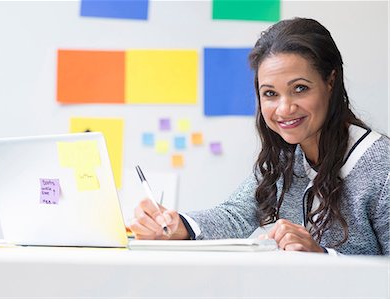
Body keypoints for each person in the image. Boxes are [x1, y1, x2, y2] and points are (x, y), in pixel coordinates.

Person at [129, 18, 389, 255]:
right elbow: (236, 215)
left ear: (330, 82)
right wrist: (178, 225)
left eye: (300, 89)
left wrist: (323, 256)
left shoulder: (381, 166)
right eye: (270, 94)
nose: (284, 108)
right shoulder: (286, 155)